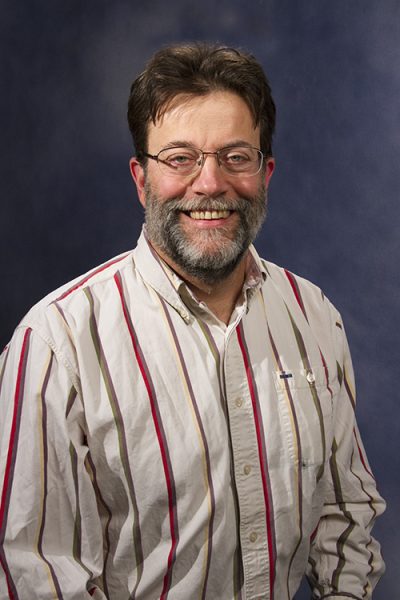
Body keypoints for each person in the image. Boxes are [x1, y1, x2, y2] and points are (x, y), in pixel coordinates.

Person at [0, 43, 385, 600]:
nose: (209, 184)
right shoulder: (56, 346)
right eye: (180, 158)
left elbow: (344, 519)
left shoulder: (315, 317)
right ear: (141, 179)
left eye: (236, 157)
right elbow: (37, 574)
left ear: (265, 173)